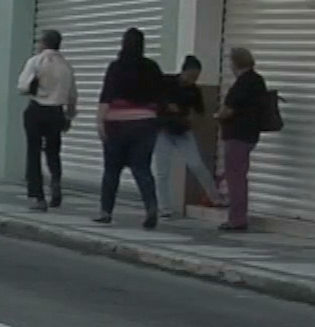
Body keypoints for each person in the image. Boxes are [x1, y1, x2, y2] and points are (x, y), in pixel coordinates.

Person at [93, 27, 165, 228]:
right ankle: (151, 208)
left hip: (117, 124)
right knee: (142, 169)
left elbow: (106, 97)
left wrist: (100, 122)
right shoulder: (151, 67)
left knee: (111, 170)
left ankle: (105, 211)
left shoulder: (116, 67)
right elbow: (161, 97)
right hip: (145, 123)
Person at [155, 55, 222, 216]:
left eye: (196, 77)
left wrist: (192, 120)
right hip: (163, 130)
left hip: (183, 130)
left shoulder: (194, 91)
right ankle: (164, 207)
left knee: (196, 164)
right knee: (162, 171)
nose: (192, 80)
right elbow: (154, 100)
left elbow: (200, 113)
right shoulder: (166, 82)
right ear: (183, 71)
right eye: (191, 76)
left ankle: (215, 197)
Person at [17, 29, 76, 211]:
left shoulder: (36, 61)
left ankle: (38, 197)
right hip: (56, 112)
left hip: (36, 110)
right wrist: (69, 116)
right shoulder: (66, 66)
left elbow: (22, 87)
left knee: (33, 152)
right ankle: (56, 181)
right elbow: (72, 95)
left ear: (44, 43)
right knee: (53, 151)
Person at [215, 46, 267, 232]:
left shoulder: (242, 84)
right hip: (251, 135)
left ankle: (236, 219)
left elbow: (229, 110)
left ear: (235, 63)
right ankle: (239, 216)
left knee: (234, 178)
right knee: (240, 177)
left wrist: (218, 116)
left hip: (237, 136)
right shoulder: (258, 80)